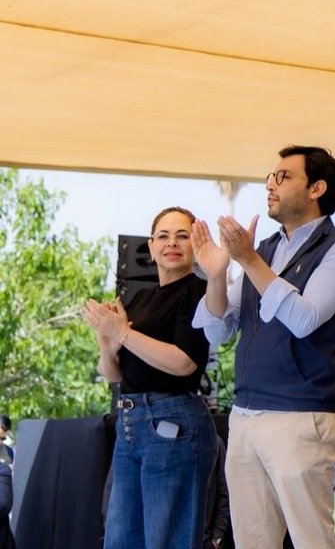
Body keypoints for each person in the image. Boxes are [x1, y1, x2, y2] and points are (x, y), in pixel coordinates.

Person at [191, 146, 335, 549]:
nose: (270, 184)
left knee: (311, 540)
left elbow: (304, 319)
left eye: (284, 176)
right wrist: (217, 275)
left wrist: (248, 259)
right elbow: (218, 332)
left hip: (300, 417)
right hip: (245, 415)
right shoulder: (266, 249)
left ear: (316, 189)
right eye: (271, 176)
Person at [83, 207, 218, 549]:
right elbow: (115, 373)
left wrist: (123, 334)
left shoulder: (198, 292)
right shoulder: (141, 298)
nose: (172, 243)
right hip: (130, 421)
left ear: (196, 245)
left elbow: (184, 363)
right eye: (164, 236)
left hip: (173, 422)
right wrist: (107, 346)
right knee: (119, 539)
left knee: (167, 539)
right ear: (151, 245)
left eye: (182, 236)